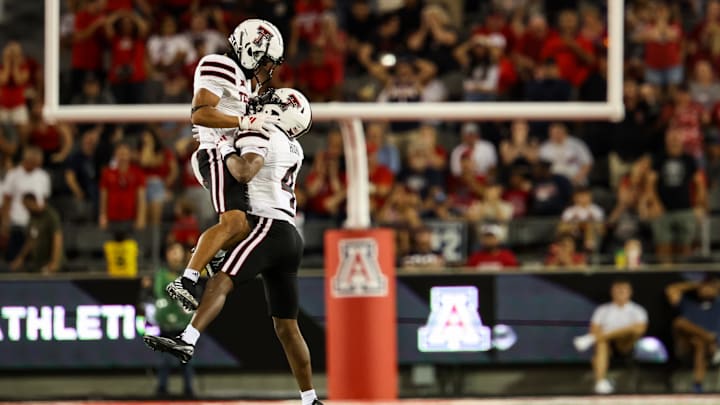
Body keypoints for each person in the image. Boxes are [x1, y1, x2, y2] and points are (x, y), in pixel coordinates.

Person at [144, 88, 323, 405]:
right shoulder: (295, 147)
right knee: (287, 327)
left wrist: (224, 148)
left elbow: (244, 170)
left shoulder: (263, 130)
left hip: (266, 226)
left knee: (220, 280)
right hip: (289, 234)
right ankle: (310, 398)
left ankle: (188, 338)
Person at [165, 19, 286, 311]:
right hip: (216, 154)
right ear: (250, 48)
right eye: (264, 59)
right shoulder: (219, 64)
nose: (265, 68)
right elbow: (201, 113)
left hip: (227, 153)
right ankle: (187, 279)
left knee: (247, 226)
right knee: (232, 222)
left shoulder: (243, 81)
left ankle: (208, 256)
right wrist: (242, 121)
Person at [573, 279, 648, 394]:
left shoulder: (638, 310)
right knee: (601, 343)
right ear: (612, 292)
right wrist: (599, 336)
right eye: (617, 290)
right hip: (607, 344)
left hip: (626, 345)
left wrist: (599, 335)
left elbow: (640, 330)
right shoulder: (602, 310)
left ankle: (590, 339)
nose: (620, 293)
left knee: (633, 330)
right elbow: (594, 329)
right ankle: (600, 383)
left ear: (630, 292)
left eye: (623, 290)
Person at [151, 242, 194, 397]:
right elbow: (160, 291)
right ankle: (162, 388)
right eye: (173, 251)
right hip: (166, 324)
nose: (176, 255)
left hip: (184, 323)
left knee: (186, 359)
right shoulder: (162, 274)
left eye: (178, 251)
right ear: (167, 254)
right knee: (165, 360)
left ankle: (188, 389)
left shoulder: (188, 273)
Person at [666, 277, 720, 393]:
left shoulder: (718, 304)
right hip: (686, 347)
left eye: (710, 287)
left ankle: (697, 385)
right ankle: (707, 336)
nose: (706, 289)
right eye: (704, 287)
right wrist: (697, 284)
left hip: (712, 349)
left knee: (700, 343)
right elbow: (671, 290)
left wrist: (714, 286)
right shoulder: (688, 302)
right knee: (680, 323)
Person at [1, 147, 51, 261]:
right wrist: (4, 225)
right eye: (33, 162)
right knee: (14, 258)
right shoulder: (13, 175)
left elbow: (45, 201)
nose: (36, 165)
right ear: (26, 160)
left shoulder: (43, 176)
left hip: (36, 224)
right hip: (17, 224)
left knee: (34, 259)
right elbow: (6, 201)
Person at [9, 194, 63, 274]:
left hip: (52, 265)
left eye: (27, 205)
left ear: (33, 202)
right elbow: (31, 239)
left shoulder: (50, 215)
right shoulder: (32, 217)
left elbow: (57, 239)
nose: (26, 208)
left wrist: (54, 262)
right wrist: (20, 258)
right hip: (39, 265)